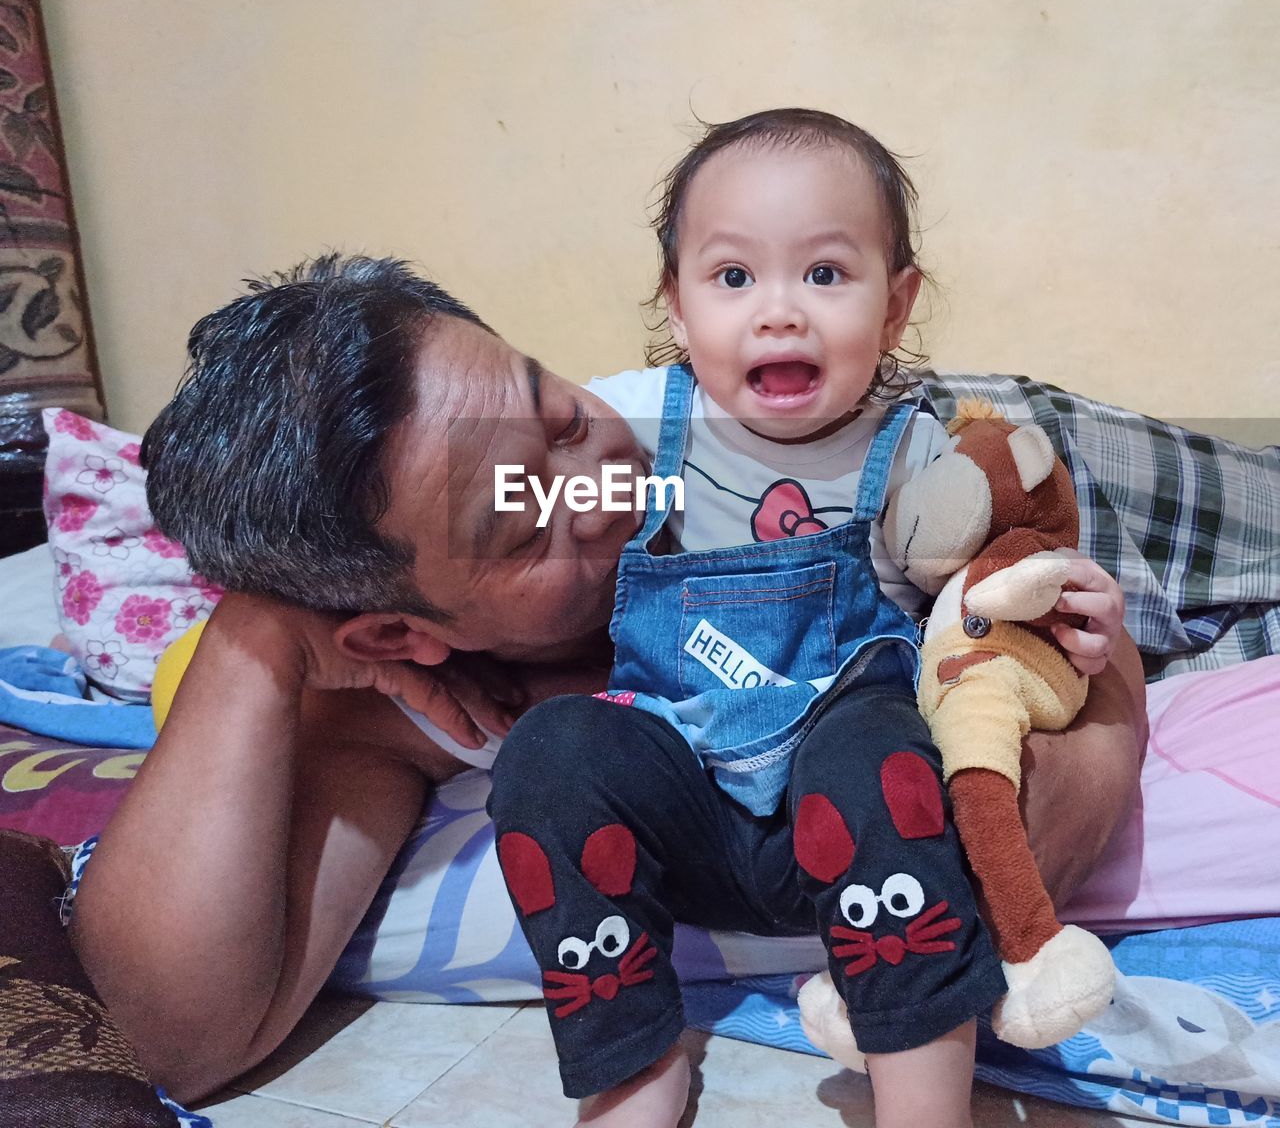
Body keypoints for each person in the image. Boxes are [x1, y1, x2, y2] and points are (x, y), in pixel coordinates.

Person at [69, 253, 1145, 1112]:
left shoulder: (745, 439)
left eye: (558, 415)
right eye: (518, 524)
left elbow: (1057, 644)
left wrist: (1093, 715)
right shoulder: (419, 692)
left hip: (1072, 457)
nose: (605, 488)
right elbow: (178, 1037)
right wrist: (252, 638)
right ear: (395, 632)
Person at [484, 110, 1129, 1127]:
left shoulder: (914, 451)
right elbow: (498, 500)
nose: (777, 313)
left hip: (862, 828)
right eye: (732, 278)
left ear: (895, 302)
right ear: (677, 304)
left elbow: (1000, 587)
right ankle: (633, 1065)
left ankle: (919, 1089)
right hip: (680, 796)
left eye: (824, 275)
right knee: (551, 748)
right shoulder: (639, 423)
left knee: (878, 740)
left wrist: (1068, 613)